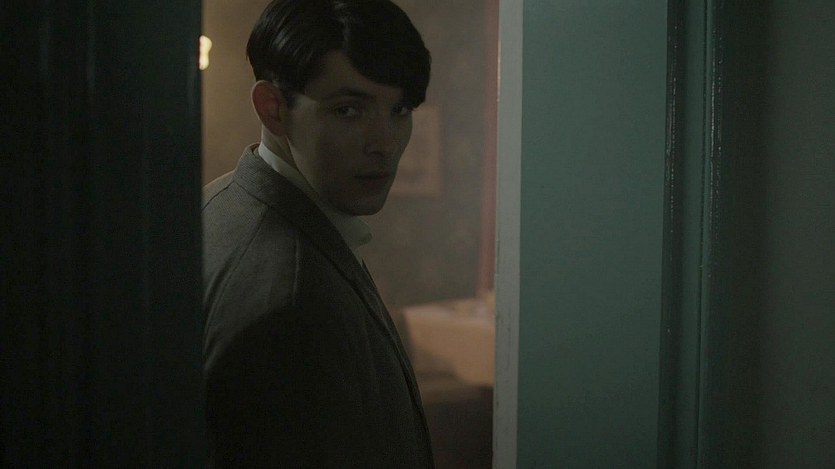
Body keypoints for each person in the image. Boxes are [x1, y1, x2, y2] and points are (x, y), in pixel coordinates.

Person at [201, 0, 433, 467]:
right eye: (348, 110)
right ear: (273, 109)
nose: (385, 142)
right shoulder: (290, 300)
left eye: (400, 109)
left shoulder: (219, 201)